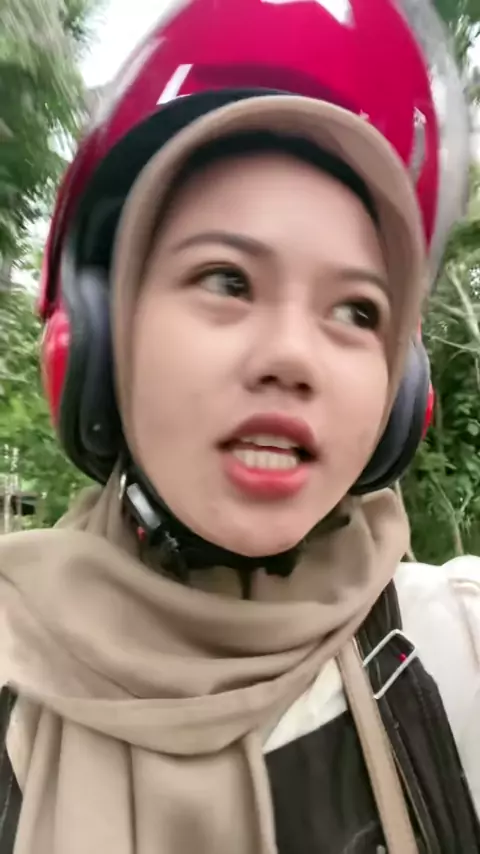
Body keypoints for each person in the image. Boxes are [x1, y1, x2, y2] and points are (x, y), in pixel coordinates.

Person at [0, 1, 479, 852]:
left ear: (403, 395)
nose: (292, 357)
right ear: (100, 342)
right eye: (226, 280)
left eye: (357, 311)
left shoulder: (459, 652)